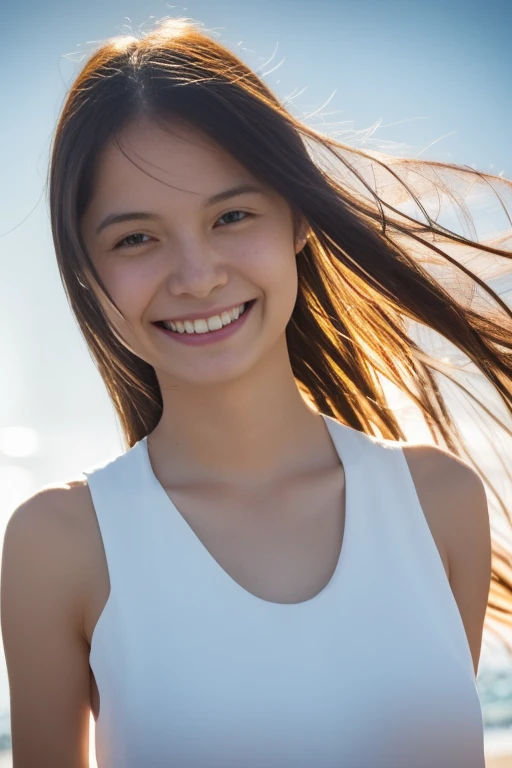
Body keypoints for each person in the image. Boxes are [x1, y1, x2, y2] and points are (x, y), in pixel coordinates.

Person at [2, 15, 512, 768]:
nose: (197, 274)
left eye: (232, 216)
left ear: (298, 218)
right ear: (88, 270)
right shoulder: (60, 546)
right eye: (136, 238)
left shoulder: (440, 505)